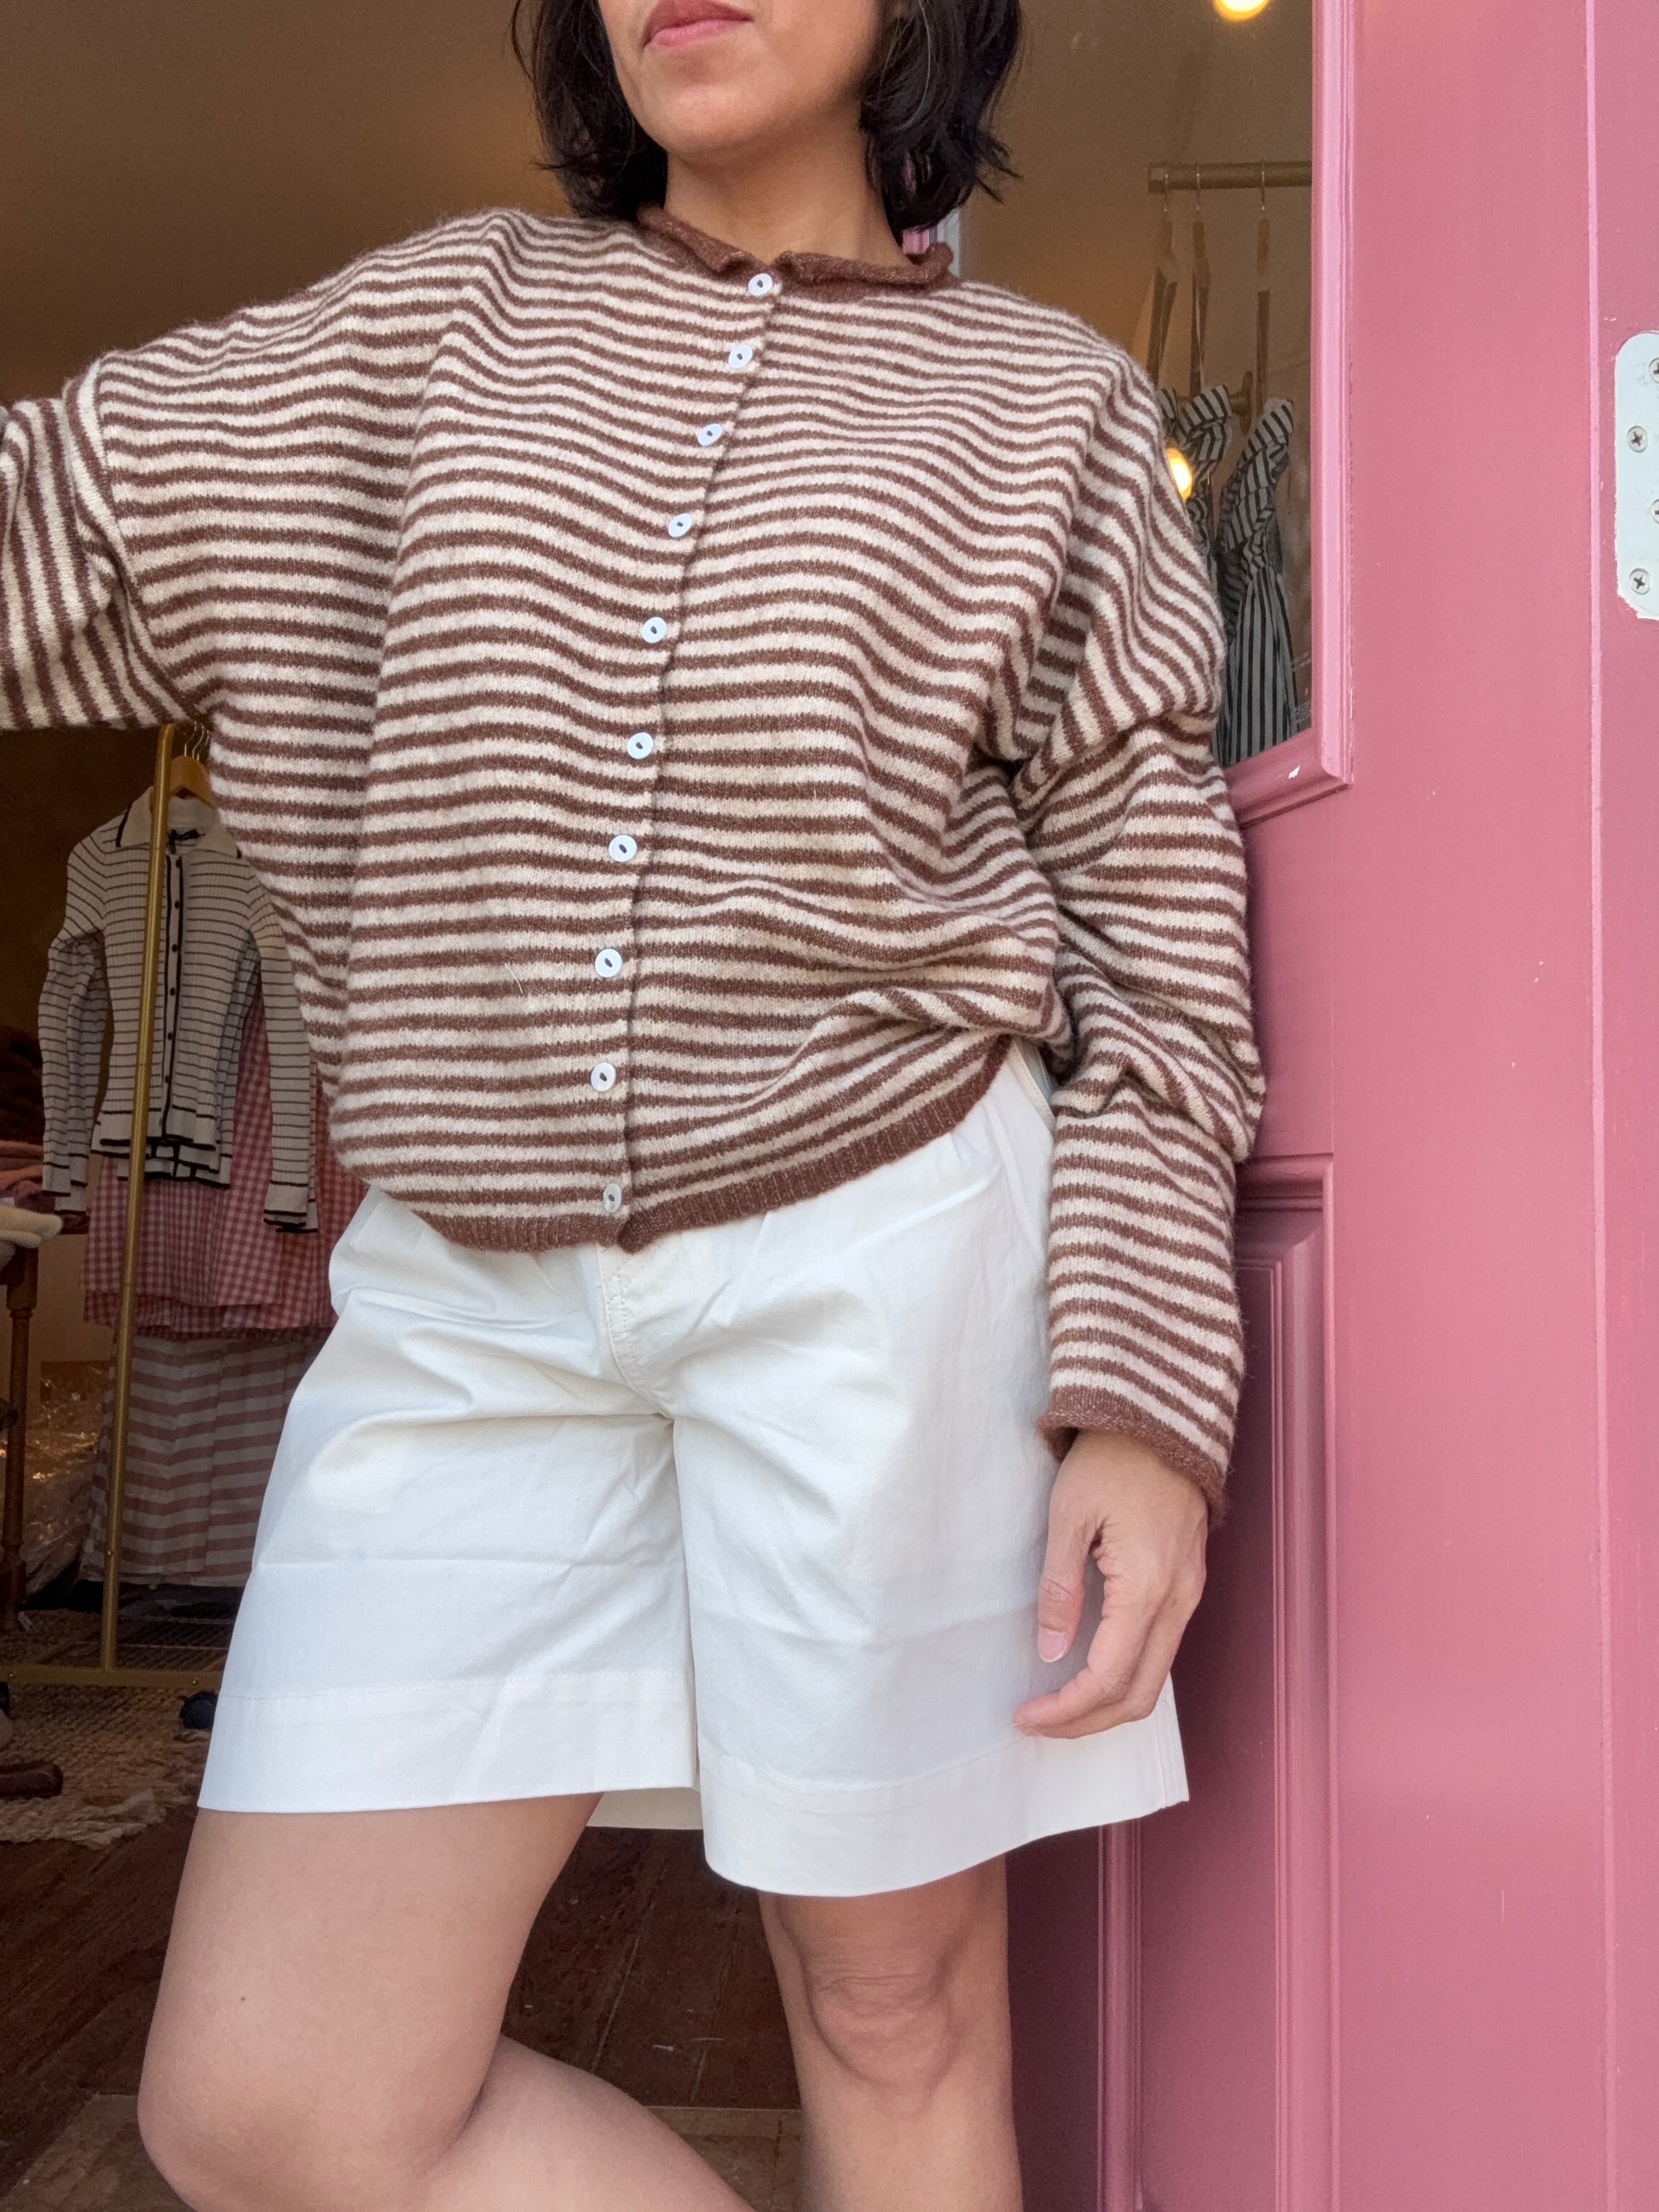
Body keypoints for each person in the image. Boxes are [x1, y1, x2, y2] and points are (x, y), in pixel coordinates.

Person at [0, 0, 1263, 2204]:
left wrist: (1143, 1406)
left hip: (891, 1250)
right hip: (463, 1295)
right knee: (274, 2104)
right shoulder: (431, 333)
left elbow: (1155, 940)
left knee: (890, 2009)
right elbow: (52, 524)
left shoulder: (1042, 407)